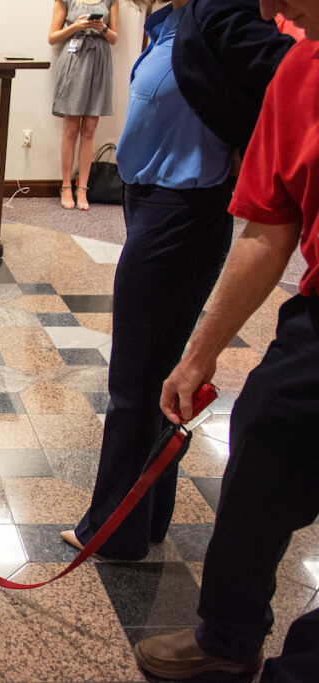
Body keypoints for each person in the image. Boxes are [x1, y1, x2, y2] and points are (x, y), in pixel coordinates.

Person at [61, 0, 293, 561]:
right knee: (157, 372)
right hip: (152, 204)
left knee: (134, 380)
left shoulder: (217, 10)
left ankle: (113, 533)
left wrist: (251, 150)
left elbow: (288, 74)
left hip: (183, 210)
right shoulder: (166, 24)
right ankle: (147, 515)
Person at [133, 0, 319, 677]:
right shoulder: (299, 71)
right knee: (261, 450)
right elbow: (268, 230)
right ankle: (228, 637)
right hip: (317, 318)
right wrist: (199, 353)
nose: (270, 9)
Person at [48, 0, 118, 210]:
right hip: (74, 61)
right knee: (71, 127)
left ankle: (83, 188)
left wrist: (102, 28)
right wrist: (75, 27)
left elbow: (114, 38)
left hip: (100, 61)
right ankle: (66, 186)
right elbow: (52, 37)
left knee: (90, 128)